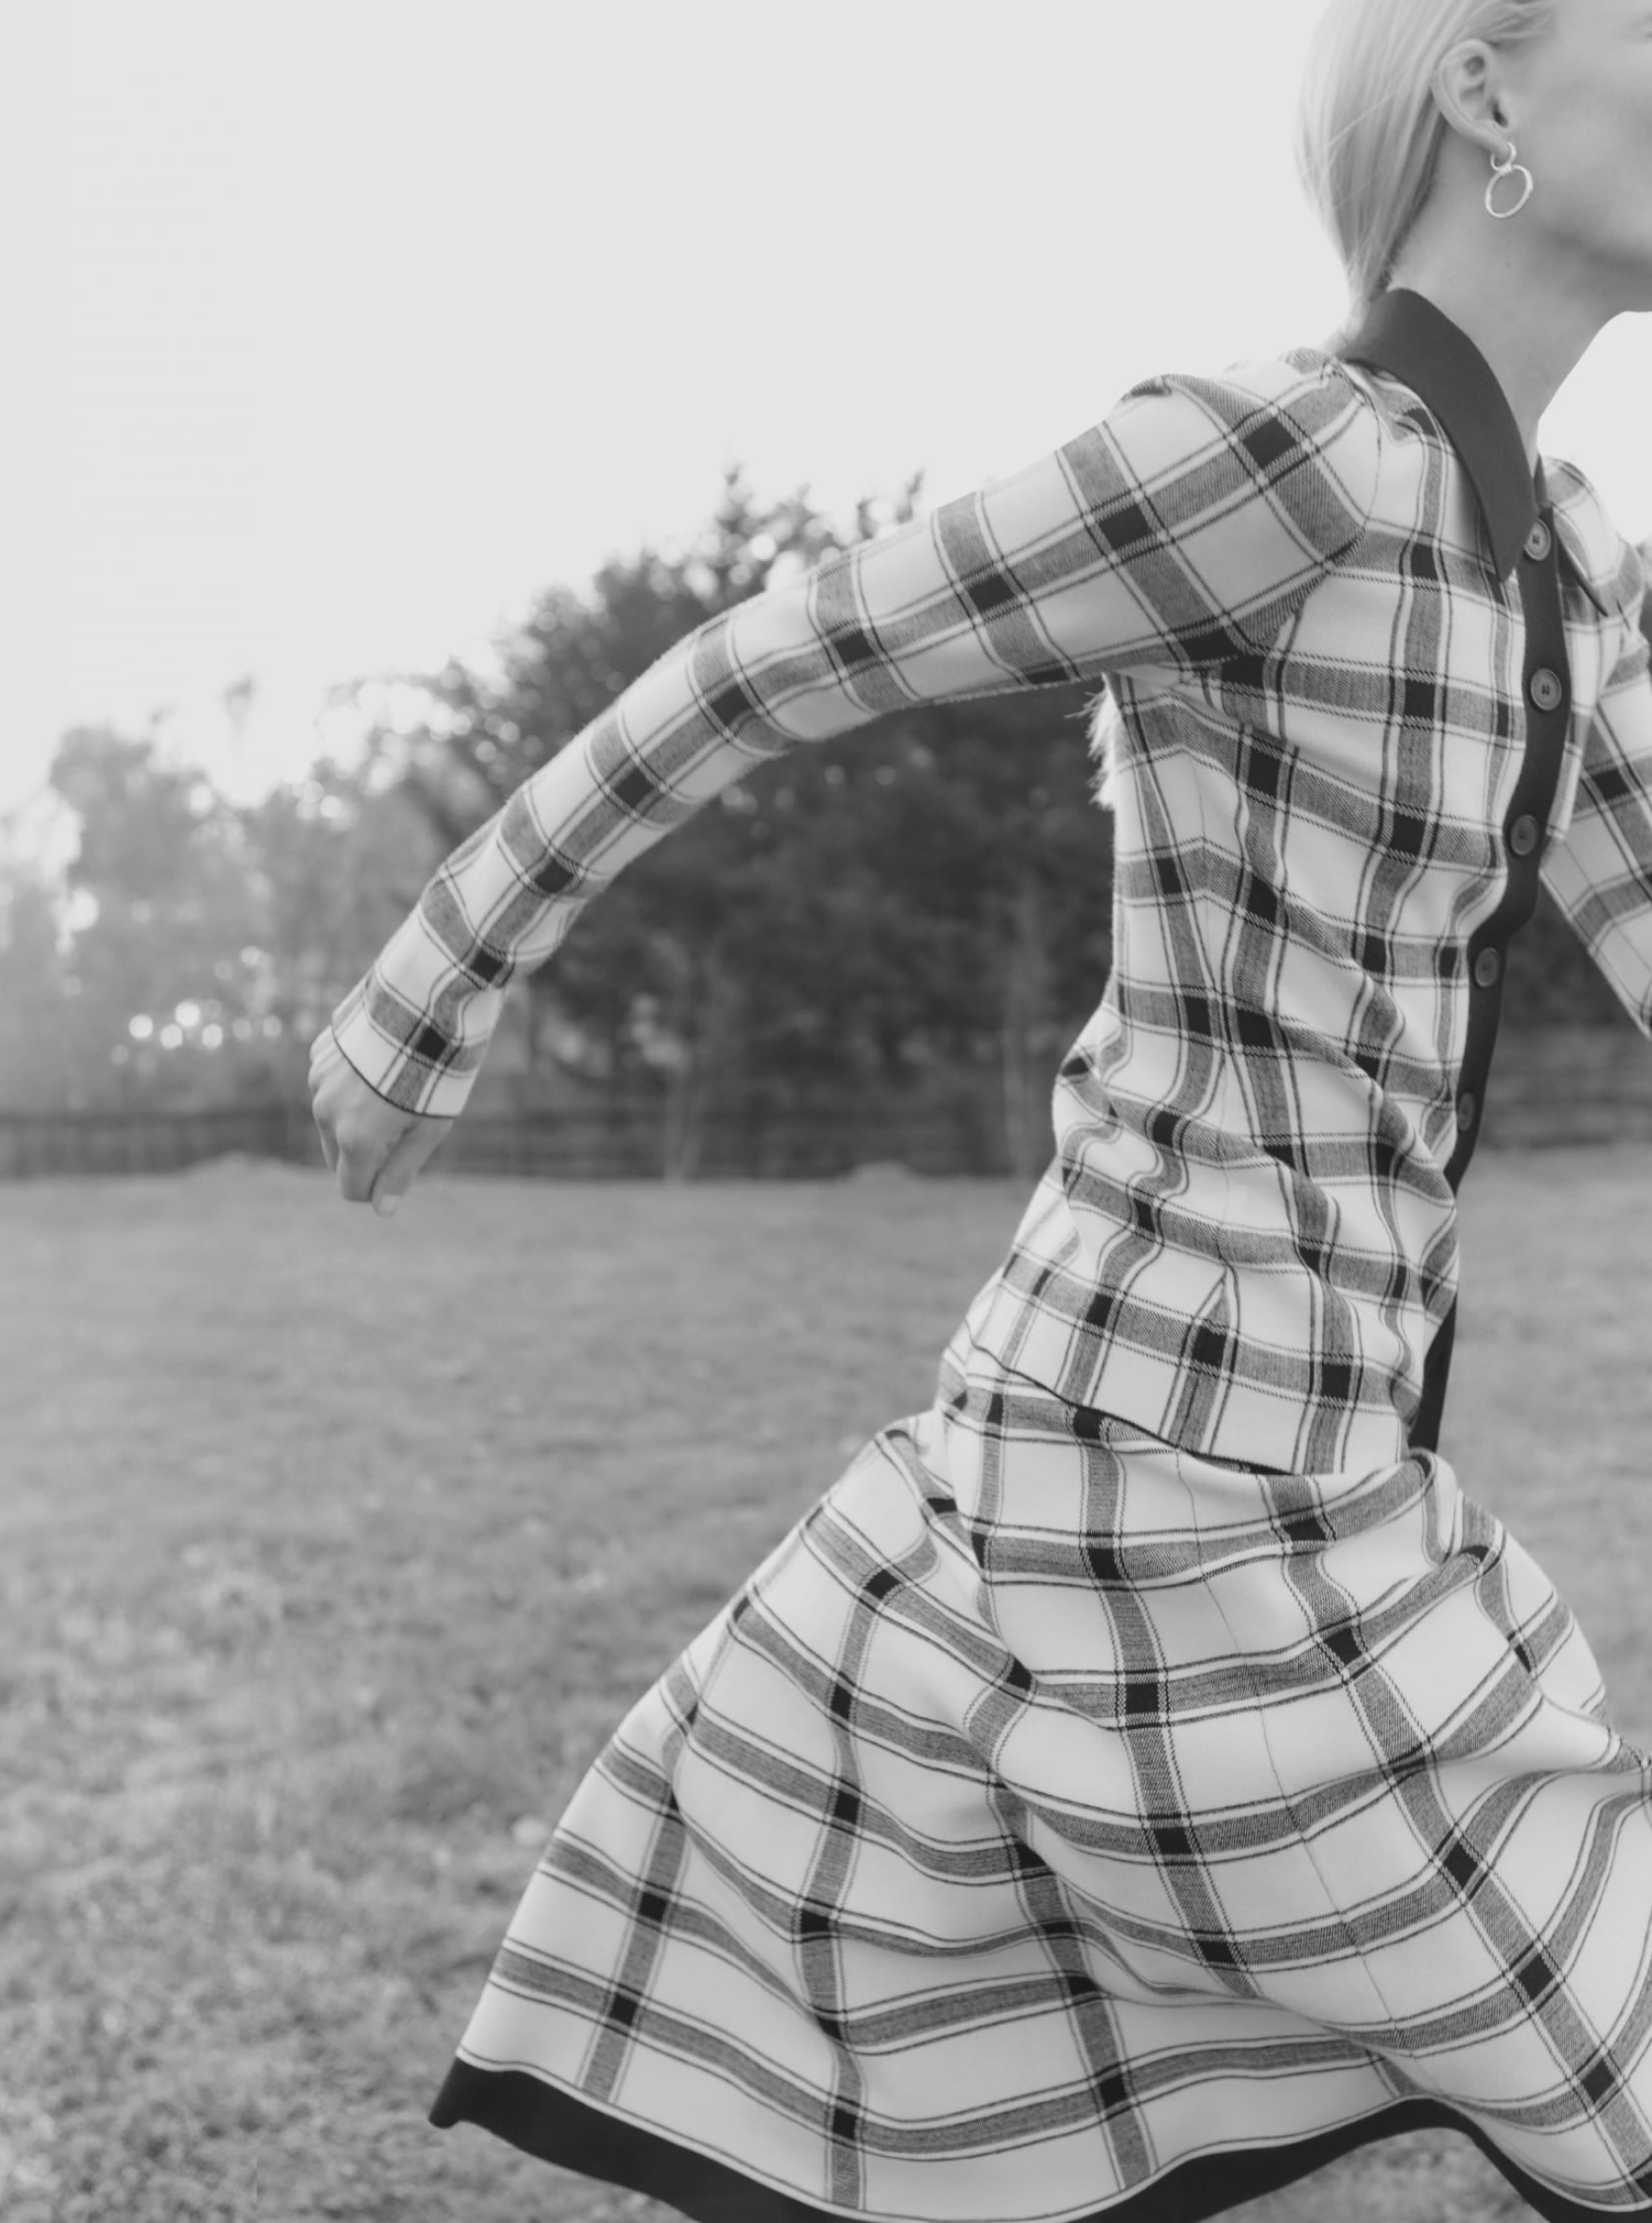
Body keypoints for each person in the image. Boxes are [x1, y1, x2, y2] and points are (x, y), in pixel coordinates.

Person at [307, 4, 1652, 2218]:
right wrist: (431, 979)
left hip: (1330, 1467)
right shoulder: (1285, 461)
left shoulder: (1567, 569)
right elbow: (787, 651)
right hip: (1162, 1486)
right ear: (1488, 93)